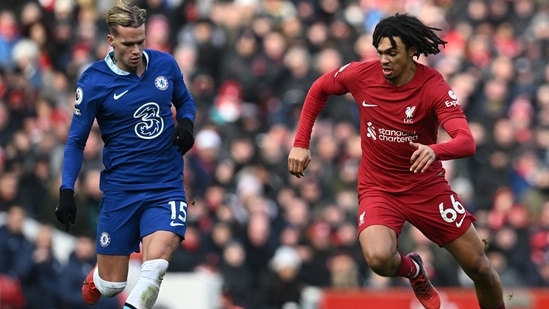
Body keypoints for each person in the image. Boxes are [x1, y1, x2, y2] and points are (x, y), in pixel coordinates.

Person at [287, 13, 506, 309]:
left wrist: (435, 151)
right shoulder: (361, 75)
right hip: (379, 188)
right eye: (380, 53)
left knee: (479, 267)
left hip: (426, 187)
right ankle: (415, 270)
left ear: (412, 51)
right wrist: (301, 143)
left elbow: (466, 141)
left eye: (392, 52)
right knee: (379, 259)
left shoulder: (433, 86)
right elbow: (319, 88)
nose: (384, 60)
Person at [54, 0, 196, 308]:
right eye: (129, 43)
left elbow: (185, 101)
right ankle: (99, 276)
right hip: (121, 190)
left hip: (165, 185)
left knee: (154, 268)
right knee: (111, 286)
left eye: (141, 41)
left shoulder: (165, 65)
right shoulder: (93, 82)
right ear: (111, 40)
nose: (136, 49)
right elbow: (76, 141)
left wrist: (186, 123)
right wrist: (67, 190)